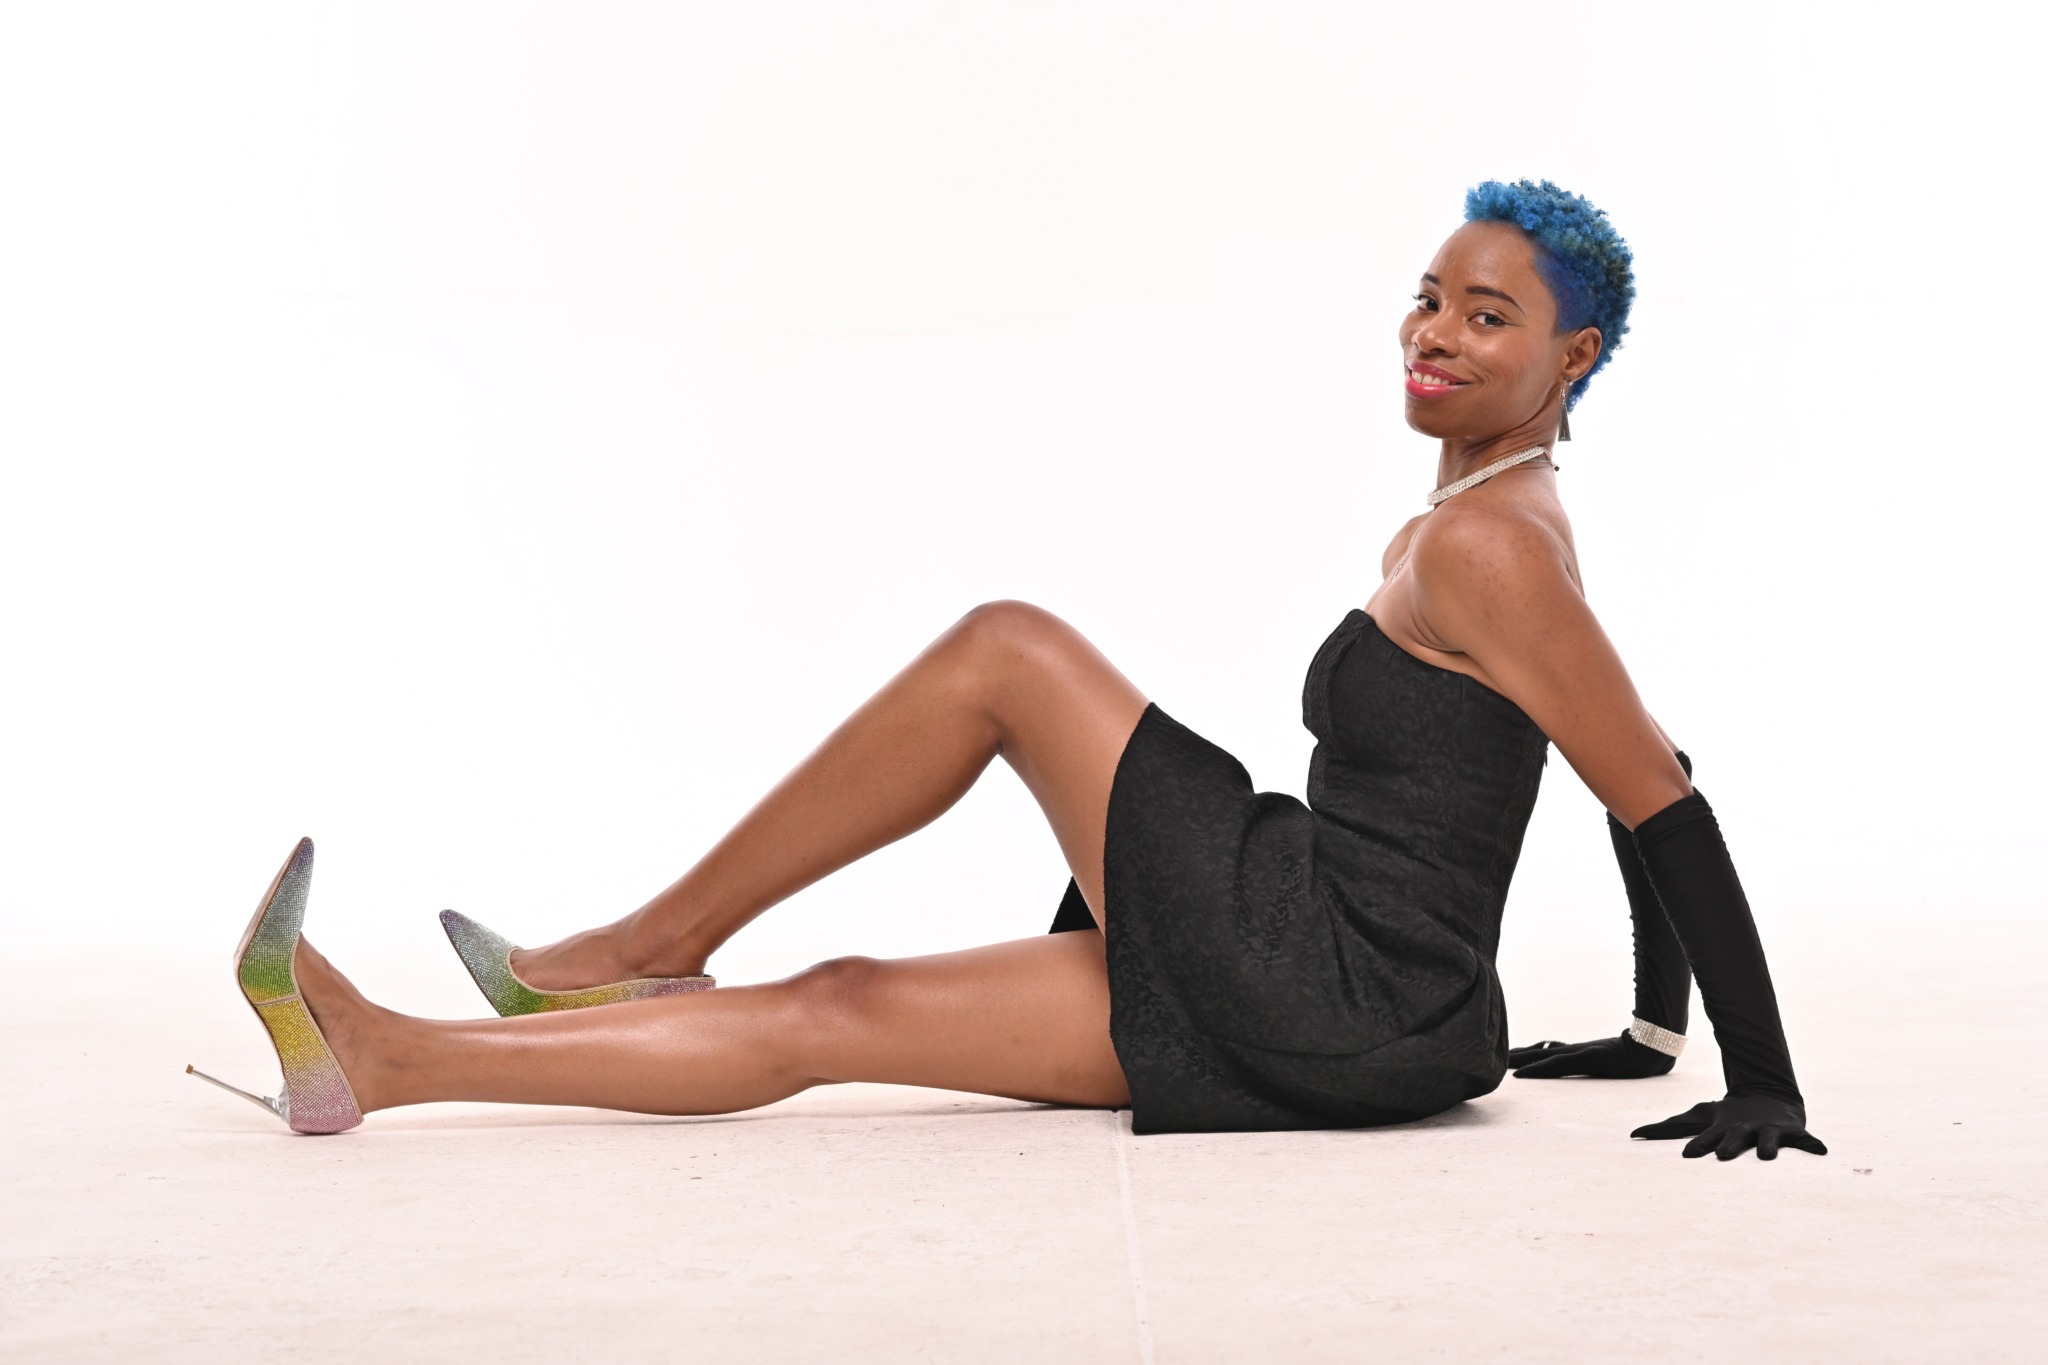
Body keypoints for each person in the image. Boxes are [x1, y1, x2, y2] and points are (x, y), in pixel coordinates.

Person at [190, 179, 1825, 1162]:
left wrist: (1757, 1076)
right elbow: (1647, 760)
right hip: (1323, 976)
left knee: (1007, 650)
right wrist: (1646, 1030)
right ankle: (390, 1059)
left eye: (1486, 316)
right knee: (840, 1005)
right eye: (1427, 298)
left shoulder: (1495, 547)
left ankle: (648, 944)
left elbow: (1656, 795)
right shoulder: (1492, 516)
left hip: (1342, 984)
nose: (1435, 334)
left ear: (1573, 357)